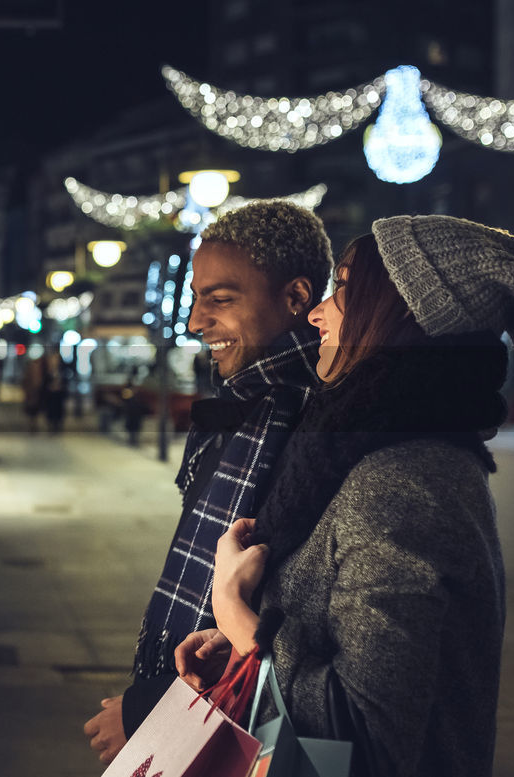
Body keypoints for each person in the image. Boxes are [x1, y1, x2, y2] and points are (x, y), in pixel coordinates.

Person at [176, 216, 514, 777]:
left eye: (342, 289)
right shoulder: (357, 448)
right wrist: (236, 642)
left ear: (400, 315)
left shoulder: (405, 481)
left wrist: (241, 622)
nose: (318, 313)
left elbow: (364, 738)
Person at [84, 201, 332, 763]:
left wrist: (151, 707)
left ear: (296, 299)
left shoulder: (308, 420)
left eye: (219, 299)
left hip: (234, 708)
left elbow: (276, 598)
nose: (196, 322)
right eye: (196, 299)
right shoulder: (246, 406)